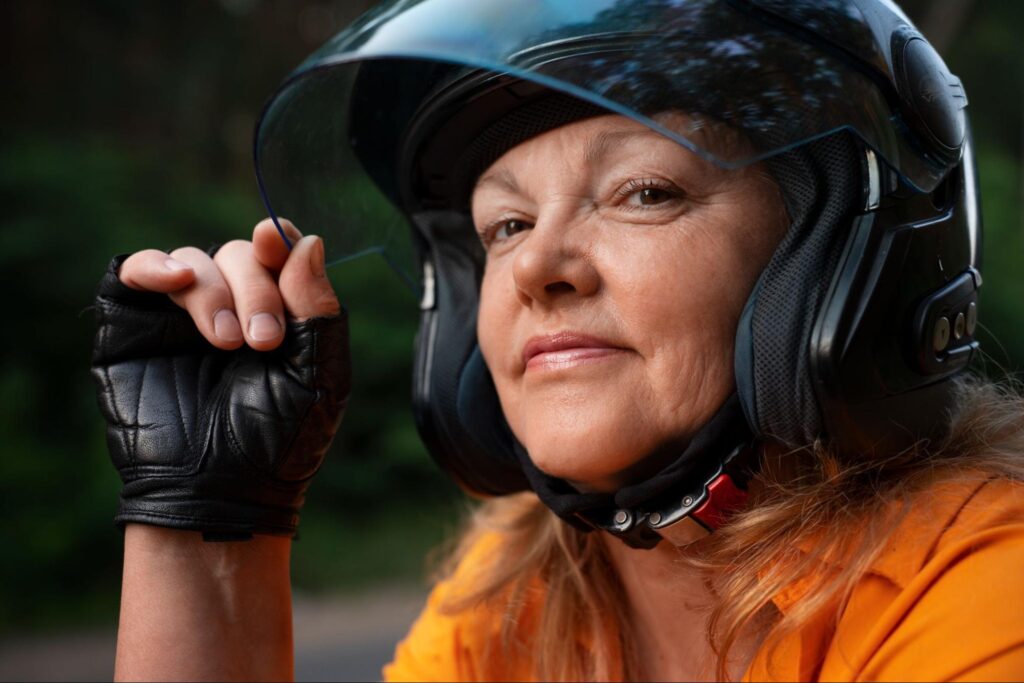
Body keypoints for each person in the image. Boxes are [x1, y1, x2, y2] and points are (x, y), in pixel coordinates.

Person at [91, 0, 1024, 680]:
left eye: (644, 192)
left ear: (836, 259)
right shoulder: (517, 600)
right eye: (503, 226)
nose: (539, 265)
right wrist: (211, 521)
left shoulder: (983, 590)